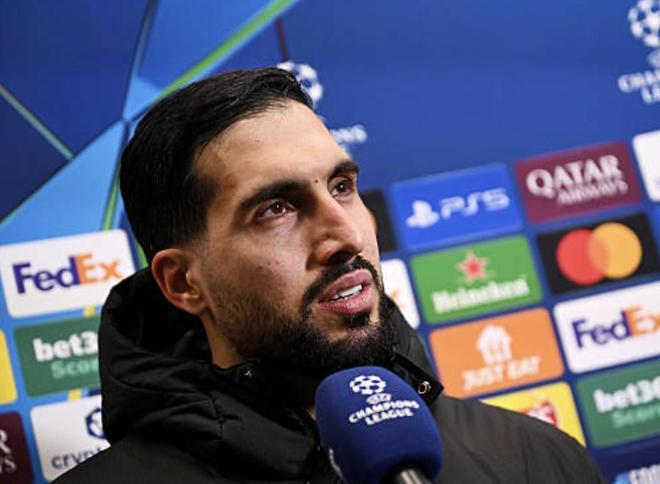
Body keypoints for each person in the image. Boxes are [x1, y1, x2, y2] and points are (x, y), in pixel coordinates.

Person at [55, 67, 606, 483]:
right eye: (276, 208)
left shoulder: (535, 458)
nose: (347, 236)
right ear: (182, 283)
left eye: (342, 187)